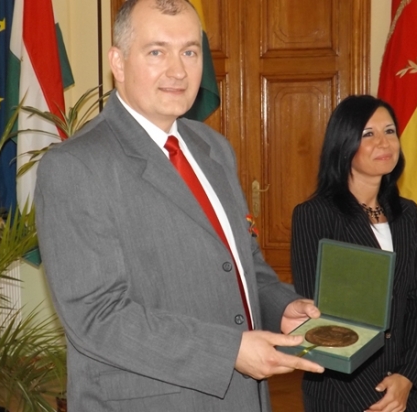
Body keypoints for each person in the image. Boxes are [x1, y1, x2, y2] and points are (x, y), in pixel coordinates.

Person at [34, 0, 324, 410]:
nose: (178, 71)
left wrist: (281, 307)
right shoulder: (76, 166)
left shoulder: (213, 148)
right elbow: (98, 318)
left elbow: (243, 266)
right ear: (117, 62)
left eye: (189, 51)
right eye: (157, 52)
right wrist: (228, 351)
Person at [291, 95, 417, 412]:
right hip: (341, 390)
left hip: (402, 388)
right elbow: (318, 320)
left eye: (390, 131)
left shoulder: (407, 214)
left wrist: (406, 378)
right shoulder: (314, 215)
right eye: (368, 133)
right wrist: (374, 400)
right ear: (344, 144)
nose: (384, 143)